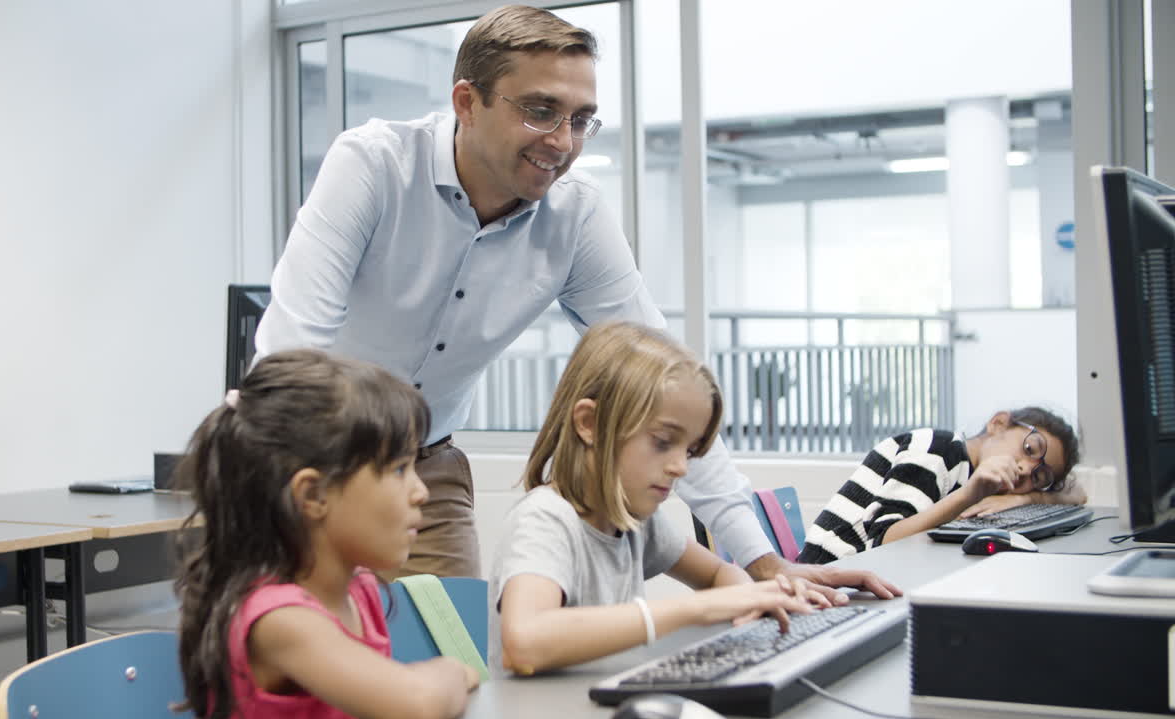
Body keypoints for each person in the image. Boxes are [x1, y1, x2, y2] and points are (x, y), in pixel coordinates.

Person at [254, 4, 898, 600]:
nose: (563, 142)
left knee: (456, 666)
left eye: (581, 119)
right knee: (299, 663)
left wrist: (765, 563)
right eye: (539, 111)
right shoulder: (373, 165)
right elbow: (290, 351)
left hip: (427, 466)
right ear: (467, 103)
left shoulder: (575, 216)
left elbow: (666, 381)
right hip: (315, 458)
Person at [491, 322, 829, 673]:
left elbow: (718, 575)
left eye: (691, 450)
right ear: (589, 423)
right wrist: (699, 608)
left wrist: (751, 600)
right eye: (663, 442)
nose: (681, 467)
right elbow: (524, 644)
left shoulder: (633, 521)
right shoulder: (545, 520)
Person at [172, 349, 478, 719]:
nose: (421, 492)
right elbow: (417, 704)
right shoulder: (280, 619)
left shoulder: (360, 589)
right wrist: (451, 669)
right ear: (313, 495)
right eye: (399, 470)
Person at [797, 407, 1085, 564]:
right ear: (998, 423)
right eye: (1030, 449)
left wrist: (1024, 499)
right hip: (829, 573)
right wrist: (970, 493)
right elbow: (884, 541)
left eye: (1040, 477)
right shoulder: (938, 450)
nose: (1025, 468)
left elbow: (1078, 493)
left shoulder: (980, 479)